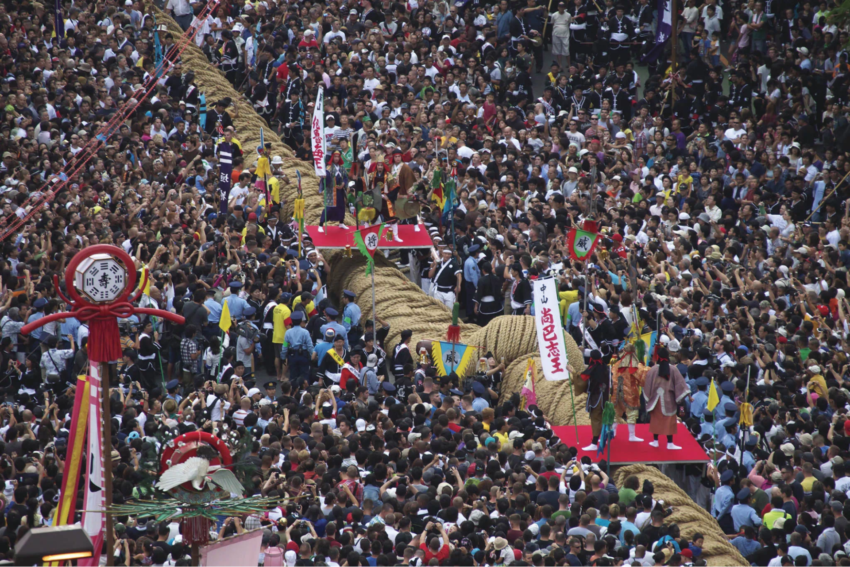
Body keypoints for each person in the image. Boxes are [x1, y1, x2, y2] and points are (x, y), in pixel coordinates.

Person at [643, 347, 689, 450]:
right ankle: (670, 443)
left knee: (656, 420)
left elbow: (647, 385)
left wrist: (648, 398)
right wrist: (688, 396)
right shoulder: (673, 369)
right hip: (669, 399)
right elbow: (681, 384)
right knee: (669, 420)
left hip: (655, 400)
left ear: (657, 357)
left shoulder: (653, 369)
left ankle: (655, 441)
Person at [581, 349, 610, 451]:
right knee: (603, 417)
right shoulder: (605, 367)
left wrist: (573, 373)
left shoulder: (593, 368)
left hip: (597, 397)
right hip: (606, 397)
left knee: (596, 419)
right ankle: (603, 438)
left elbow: (582, 380)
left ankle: (594, 443)